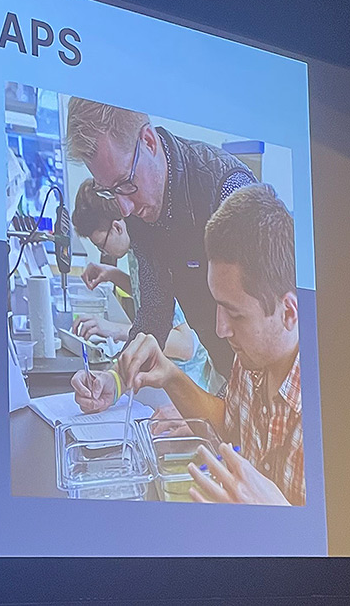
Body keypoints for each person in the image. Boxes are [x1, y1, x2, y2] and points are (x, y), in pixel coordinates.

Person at [114, 184, 303, 505]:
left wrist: (278, 514)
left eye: (235, 314)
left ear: (288, 312)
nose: (220, 329)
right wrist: (170, 375)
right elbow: (230, 423)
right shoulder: (252, 358)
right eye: (218, 305)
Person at [65, 96, 255, 380]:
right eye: (108, 191)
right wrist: (115, 381)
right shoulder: (139, 207)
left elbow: (268, 330)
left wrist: (214, 406)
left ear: (149, 142)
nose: (124, 208)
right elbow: (154, 311)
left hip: (259, 377)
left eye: (125, 184)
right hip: (224, 370)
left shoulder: (227, 190)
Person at [69, 179, 224, 399]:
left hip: (183, 388)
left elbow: (184, 345)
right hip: (161, 379)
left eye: (101, 245)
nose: (103, 251)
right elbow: (154, 302)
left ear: (117, 226)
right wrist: (113, 276)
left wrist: (116, 330)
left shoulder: (152, 250)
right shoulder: (135, 250)